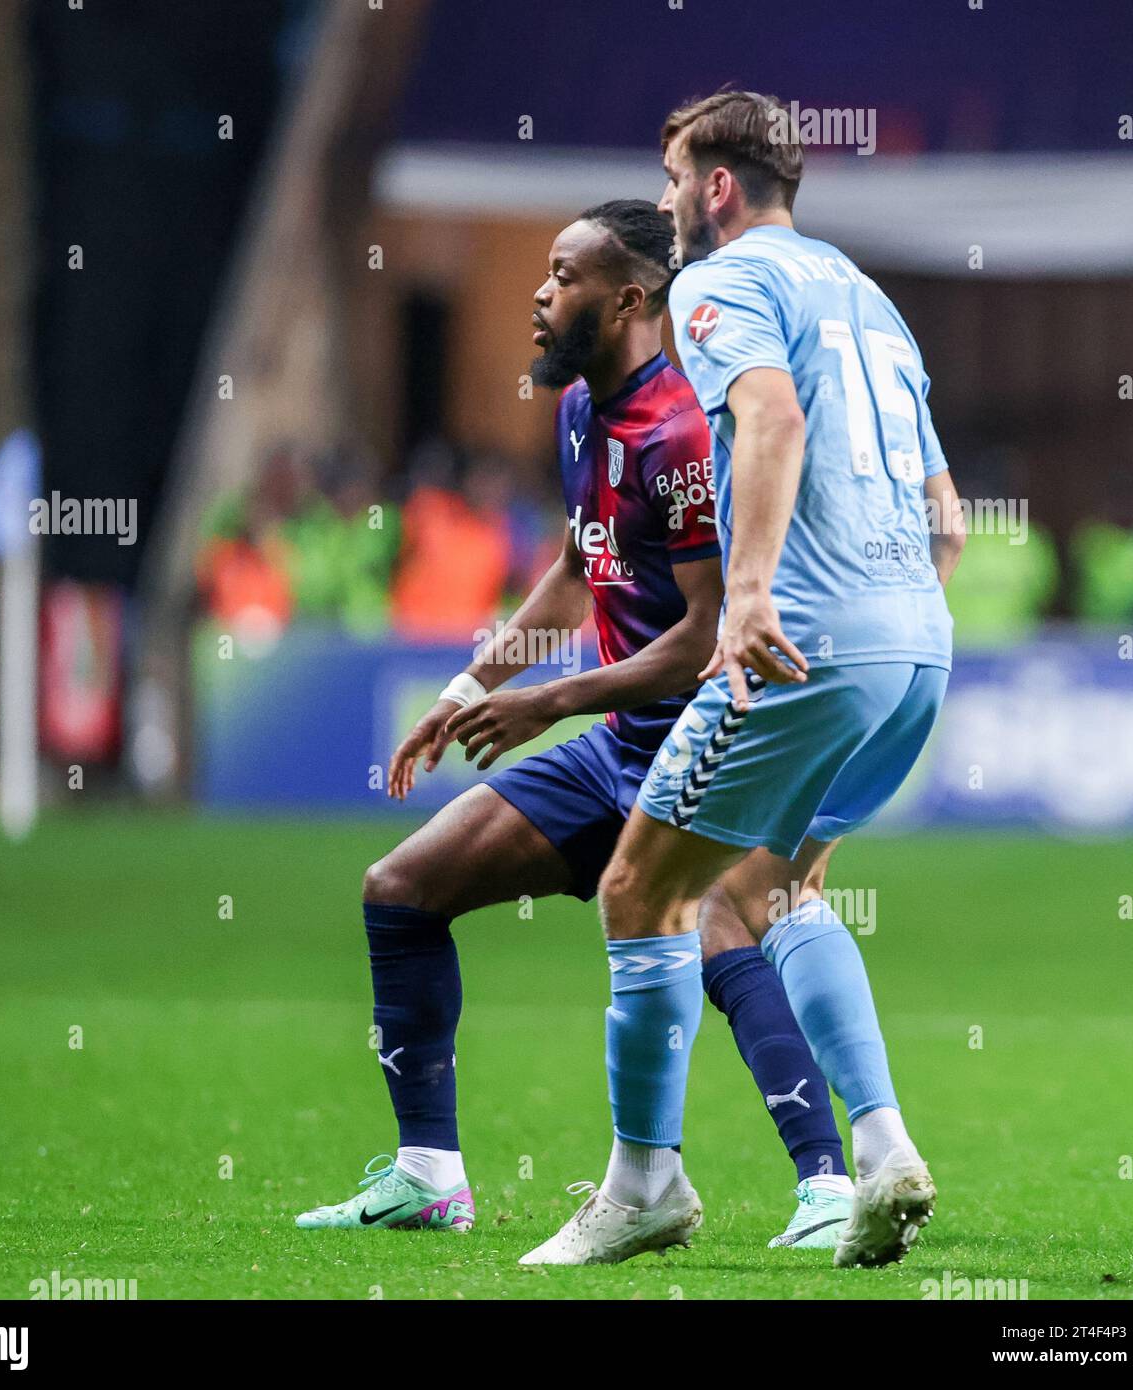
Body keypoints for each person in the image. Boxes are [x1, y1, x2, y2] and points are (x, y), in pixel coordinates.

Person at [295, 200, 854, 1250]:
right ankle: (426, 1175)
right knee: (400, 891)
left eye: (562, 276)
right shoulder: (579, 413)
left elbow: (702, 637)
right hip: (617, 748)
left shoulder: (685, 430)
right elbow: (571, 569)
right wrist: (469, 690)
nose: (540, 298)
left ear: (629, 298)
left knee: (724, 928)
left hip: (705, 740)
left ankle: (827, 1187)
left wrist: (545, 701)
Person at [521, 93, 966, 1271]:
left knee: (638, 890)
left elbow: (767, 420)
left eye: (671, 176)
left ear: (716, 185)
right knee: (768, 891)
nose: (665, 201)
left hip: (802, 644)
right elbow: (949, 519)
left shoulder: (723, 287)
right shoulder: (865, 295)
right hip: (915, 645)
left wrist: (757, 592)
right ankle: (880, 1152)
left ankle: (644, 1185)